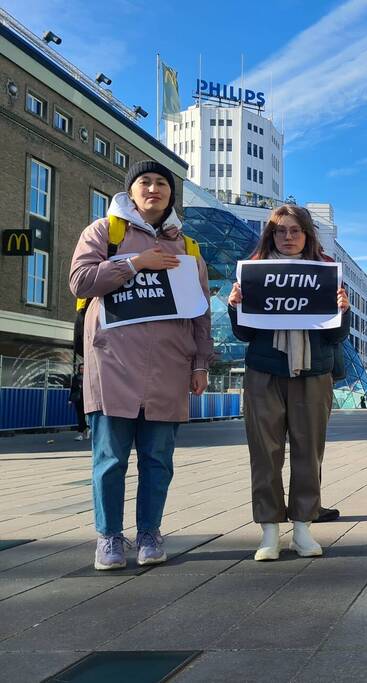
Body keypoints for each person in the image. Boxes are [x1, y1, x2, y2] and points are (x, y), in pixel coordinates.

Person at [69, 160, 213, 570]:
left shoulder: (188, 248)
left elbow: (200, 313)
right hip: (112, 364)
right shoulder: (104, 232)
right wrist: (135, 263)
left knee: (158, 459)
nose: (153, 188)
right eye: (145, 182)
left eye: (162, 183)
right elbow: (80, 282)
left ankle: (149, 531)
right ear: (131, 192)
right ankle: (109, 536)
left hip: (168, 367)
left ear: (171, 193)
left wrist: (200, 363)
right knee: (110, 457)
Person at [228, 205, 351, 561]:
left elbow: (336, 336)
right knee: (264, 452)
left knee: (308, 452)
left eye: (295, 231)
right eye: (280, 231)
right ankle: (269, 531)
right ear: (271, 235)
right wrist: (236, 306)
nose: (288, 237)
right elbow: (244, 333)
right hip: (264, 372)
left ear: (307, 235)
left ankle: (302, 528)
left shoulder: (326, 272)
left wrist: (343, 310)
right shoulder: (254, 272)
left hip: (313, 372)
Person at [69, 363, 88, 441]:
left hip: (86, 399)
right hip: (78, 399)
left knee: (84, 416)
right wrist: (70, 399)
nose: (82, 370)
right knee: (80, 416)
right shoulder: (75, 377)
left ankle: (83, 432)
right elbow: (72, 389)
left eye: (83, 368)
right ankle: (84, 431)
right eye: (81, 368)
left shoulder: (88, 377)